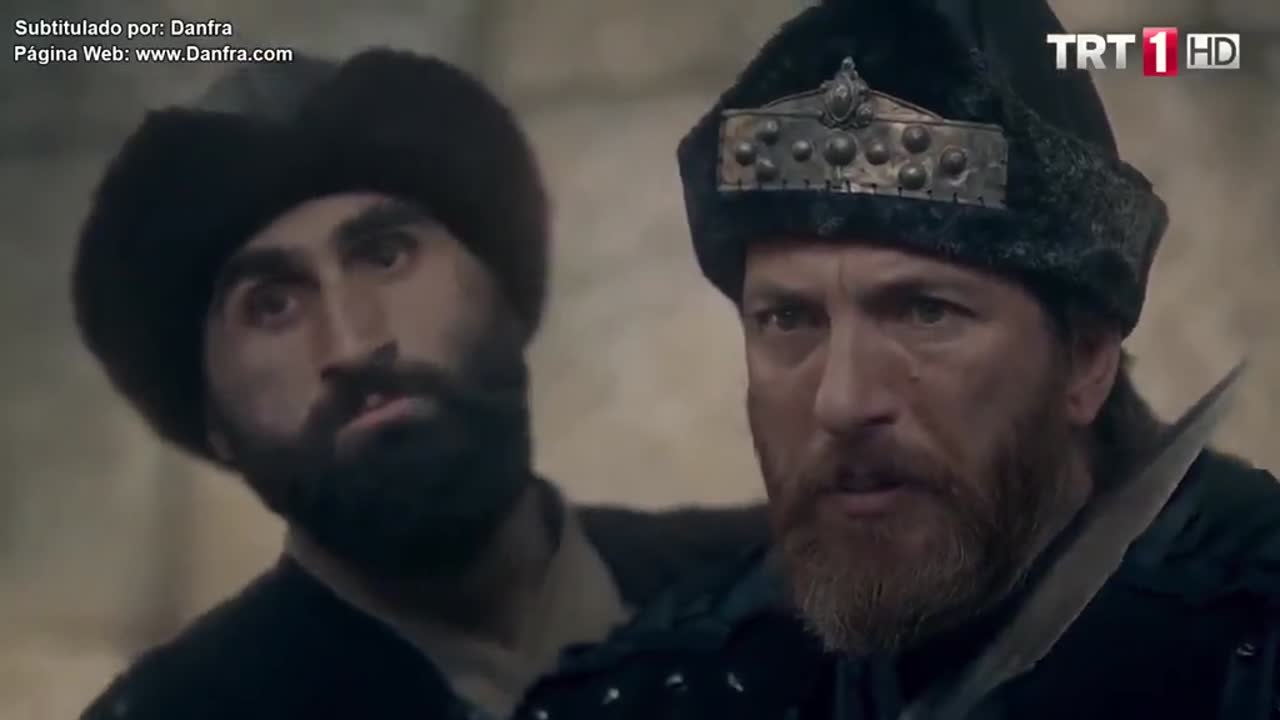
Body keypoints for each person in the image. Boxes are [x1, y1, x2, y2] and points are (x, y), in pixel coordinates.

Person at [517, 1, 1280, 718]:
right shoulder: (677, 689)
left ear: (1085, 360)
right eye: (789, 319)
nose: (842, 401)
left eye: (925, 311)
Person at [74, 49, 764, 720]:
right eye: (272, 306)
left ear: (501, 292)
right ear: (213, 418)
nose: (353, 343)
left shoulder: (777, 589)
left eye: (385, 256)